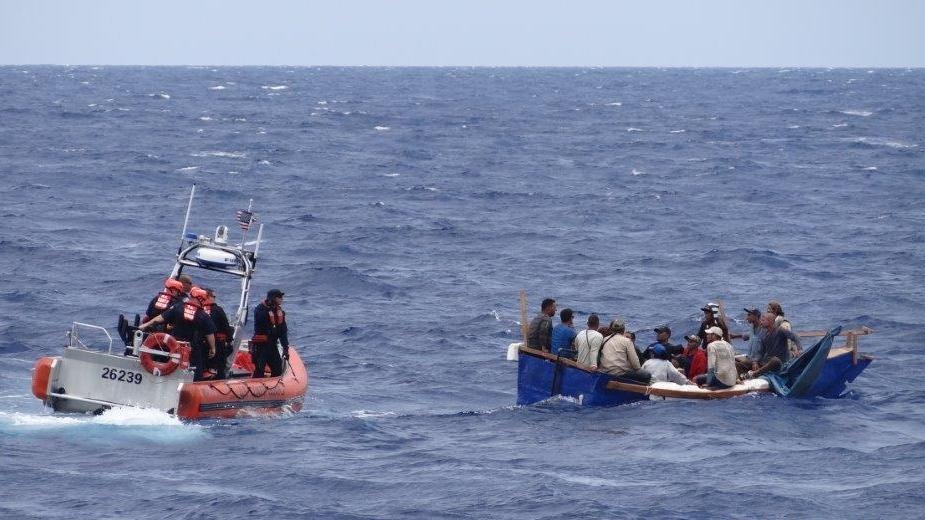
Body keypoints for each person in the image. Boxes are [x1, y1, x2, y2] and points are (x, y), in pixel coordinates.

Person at [138, 286, 216, 381]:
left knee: (167, 362)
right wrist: (213, 348)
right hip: (192, 349)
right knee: (197, 370)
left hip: (172, 345)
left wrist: (146, 324)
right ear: (201, 299)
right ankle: (192, 385)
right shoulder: (203, 315)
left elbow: (160, 318)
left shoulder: (177, 307)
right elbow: (210, 335)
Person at [742, 312, 803, 379]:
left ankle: (754, 374)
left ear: (770, 321)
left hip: (780, 364)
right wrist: (755, 361)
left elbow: (795, 337)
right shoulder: (765, 335)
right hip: (767, 363)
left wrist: (799, 349)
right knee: (745, 362)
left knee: (775, 360)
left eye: (763, 320)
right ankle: (741, 377)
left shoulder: (780, 330)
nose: (761, 322)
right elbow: (761, 352)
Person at [251, 288, 290, 378]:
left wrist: (285, 347)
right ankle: (256, 387)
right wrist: (270, 310)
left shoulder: (280, 312)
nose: (281, 299)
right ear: (273, 298)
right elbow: (262, 320)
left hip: (272, 345)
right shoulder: (260, 309)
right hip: (261, 345)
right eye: (279, 297)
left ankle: (274, 388)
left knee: (277, 369)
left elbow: (283, 331)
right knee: (260, 369)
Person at [598, 319, 650, 384]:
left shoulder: (605, 339)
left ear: (611, 329)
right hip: (619, 374)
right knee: (646, 375)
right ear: (623, 330)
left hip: (604, 372)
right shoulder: (627, 341)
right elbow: (636, 365)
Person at [202, 287, 234, 379]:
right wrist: (229, 340)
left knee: (205, 366)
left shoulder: (200, 310)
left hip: (203, 345)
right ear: (208, 296)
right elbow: (226, 327)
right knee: (220, 368)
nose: (215, 299)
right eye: (214, 296)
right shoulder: (217, 310)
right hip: (217, 345)